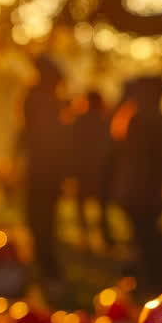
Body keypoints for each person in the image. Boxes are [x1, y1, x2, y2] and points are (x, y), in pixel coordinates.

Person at [110, 76, 162, 292]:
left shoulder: (130, 119)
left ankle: (139, 280)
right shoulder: (152, 123)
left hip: (132, 190)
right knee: (147, 238)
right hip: (145, 192)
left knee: (142, 236)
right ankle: (149, 281)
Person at [15, 56, 68, 285]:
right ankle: (45, 265)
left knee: (41, 218)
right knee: (41, 219)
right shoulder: (41, 98)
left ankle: (44, 264)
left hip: (43, 168)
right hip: (44, 168)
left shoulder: (37, 97)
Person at [65, 91, 114, 238]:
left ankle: (85, 231)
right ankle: (103, 232)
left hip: (84, 165)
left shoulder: (80, 121)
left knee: (83, 200)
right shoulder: (104, 121)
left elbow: (73, 145)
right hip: (98, 165)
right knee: (101, 201)